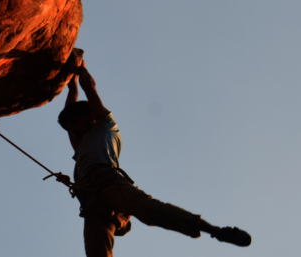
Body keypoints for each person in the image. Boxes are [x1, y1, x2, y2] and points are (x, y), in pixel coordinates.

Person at [55, 49, 251, 257]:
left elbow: (90, 87)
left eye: (75, 122)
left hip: (109, 184)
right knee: (97, 253)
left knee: (151, 211)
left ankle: (216, 231)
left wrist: (79, 67)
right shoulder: (80, 144)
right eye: (70, 127)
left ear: (91, 117)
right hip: (91, 200)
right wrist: (71, 84)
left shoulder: (105, 126)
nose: (73, 129)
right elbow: (72, 105)